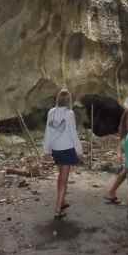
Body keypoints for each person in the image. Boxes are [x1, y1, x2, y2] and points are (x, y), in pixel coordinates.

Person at [43, 88, 83, 219]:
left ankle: (63, 201)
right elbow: (73, 133)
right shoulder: (69, 113)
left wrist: (46, 150)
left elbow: (48, 132)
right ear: (68, 101)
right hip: (66, 149)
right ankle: (57, 209)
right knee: (64, 180)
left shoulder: (51, 112)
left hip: (56, 149)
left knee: (61, 176)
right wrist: (79, 151)